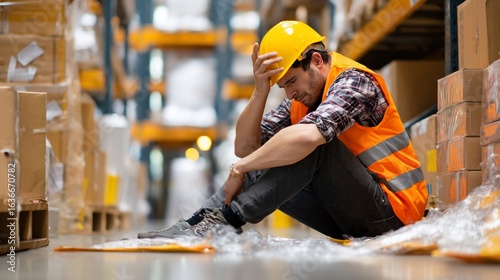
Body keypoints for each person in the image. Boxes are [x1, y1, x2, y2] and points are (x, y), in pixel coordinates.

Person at [138, 20, 428, 240]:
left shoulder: (354, 82)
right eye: (283, 86)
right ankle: (196, 223)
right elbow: (248, 148)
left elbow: (305, 138)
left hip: (394, 216)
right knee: (273, 153)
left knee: (313, 145)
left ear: (315, 61)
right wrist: (260, 92)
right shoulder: (302, 97)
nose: (289, 94)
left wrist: (240, 168)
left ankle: (223, 223)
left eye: (291, 82)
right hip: (347, 213)